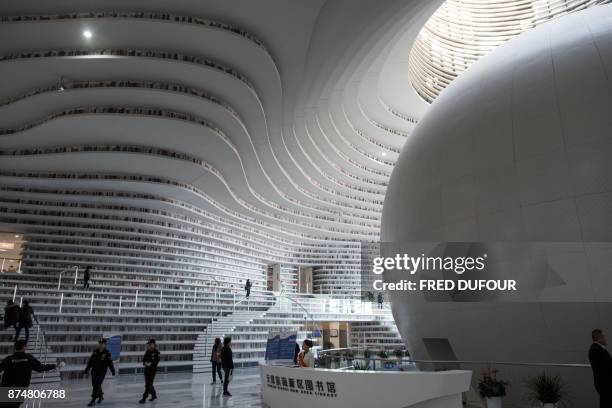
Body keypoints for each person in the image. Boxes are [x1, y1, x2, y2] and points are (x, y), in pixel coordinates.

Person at [0, 340, 57, 407]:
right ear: (24, 347)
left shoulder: (8, 359)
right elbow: (40, 368)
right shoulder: (29, 358)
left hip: (6, 388)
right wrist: (53, 366)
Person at [84, 338, 115, 406]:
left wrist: (113, 371)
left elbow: (110, 363)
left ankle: (93, 400)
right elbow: (90, 362)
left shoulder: (107, 353)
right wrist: (87, 369)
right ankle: (101, 396)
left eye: (102, 344)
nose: (100, 345)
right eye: (100, 343)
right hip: (94, 371)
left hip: (102, 372)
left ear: (105, 344)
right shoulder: (95, 351)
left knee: (97, 385)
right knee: (95, 385)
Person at [589, 329, 612, 408]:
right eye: (604, 336)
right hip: (605, 384)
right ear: (599, 338)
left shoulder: (597, 349)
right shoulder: (596, 350)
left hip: (604, 384)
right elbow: (605, 367)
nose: (606, 338)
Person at [139, 338, 160, 403]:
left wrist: (150, 364)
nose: (149, 345)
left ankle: (144, 398)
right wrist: (145, 363)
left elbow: (156, 362)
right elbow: (143, 360)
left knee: (148, 385)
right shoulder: (147, 351)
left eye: (150, 344)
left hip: (152, 371)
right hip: (146, 371)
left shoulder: (156, 352)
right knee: (148, 385)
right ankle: (154, 395)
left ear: (154, 344)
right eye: (148, 344)